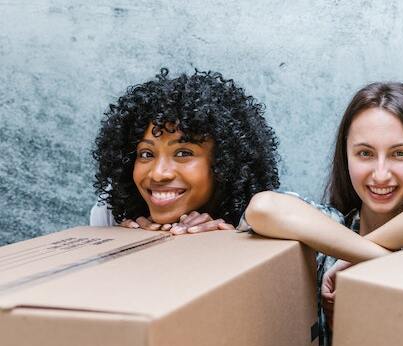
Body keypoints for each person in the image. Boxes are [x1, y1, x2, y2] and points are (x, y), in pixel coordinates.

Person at [241, 82, 403, 346]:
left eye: (399, 154)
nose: (380, 174)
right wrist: (378, 258)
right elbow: (263, 208)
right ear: (346, 157)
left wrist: (356, 259)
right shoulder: (327, 231)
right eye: (365, 154)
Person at [90, 68, 280, 233]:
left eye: (183, 153)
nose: (158, 174)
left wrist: (231, 239)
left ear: (225, 163)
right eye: (146, 154)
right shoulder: (110, 214)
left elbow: (269, 209)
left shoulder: (272, 215)